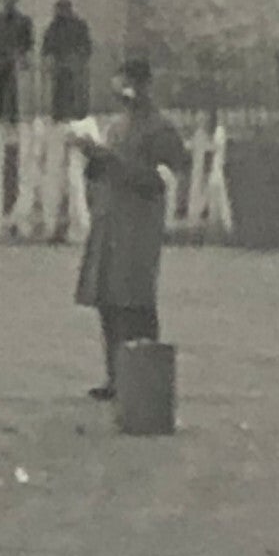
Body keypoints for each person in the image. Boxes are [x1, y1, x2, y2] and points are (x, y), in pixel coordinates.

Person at [71, 58, 191, 400]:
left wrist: (111, 162)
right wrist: (92, 159)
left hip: (139, 227)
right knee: (108, 302)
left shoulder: (160, 129)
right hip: (111, 220)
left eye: (127, 85)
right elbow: (105, 170)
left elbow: (161, 179)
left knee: (135, 303)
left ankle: (144, 378)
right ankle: (116, 377)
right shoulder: (117, 126)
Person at [0, 0, 35, 123]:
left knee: (12, 86)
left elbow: (28, 41)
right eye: (7, 1)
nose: (9, 4)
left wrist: (21, 54)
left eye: (11, 1)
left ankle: (13, 113)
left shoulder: (23, 21)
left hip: (14, 58)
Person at [42, 0, 93, 121]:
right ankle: (60, 114)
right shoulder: (54, 26)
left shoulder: (78, 25)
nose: (60, 12)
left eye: (62, 9)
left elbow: (86, 44)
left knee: (76, 89)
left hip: (73, 61)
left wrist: (80, 57)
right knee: (60, 89)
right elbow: (47, 45)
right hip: (60, 60)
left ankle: (77, 113)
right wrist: (49, 58)